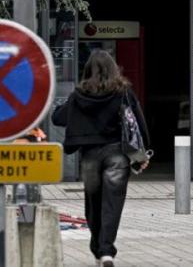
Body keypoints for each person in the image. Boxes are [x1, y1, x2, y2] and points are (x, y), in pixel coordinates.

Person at [52, 50, 150, 267]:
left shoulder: (79, 95)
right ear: (114, 69)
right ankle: (107, 251)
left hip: (89, 156)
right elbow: (137, 122)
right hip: (117, 155)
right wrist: (143, 152)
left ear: (88, 70)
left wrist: (66, 107)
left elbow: (58, 118)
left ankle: (98, 251)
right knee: (112, 204)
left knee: (93, 205)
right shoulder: (123, 92)